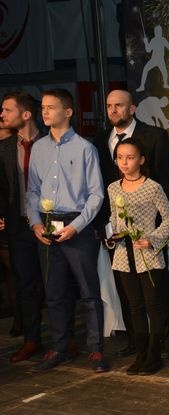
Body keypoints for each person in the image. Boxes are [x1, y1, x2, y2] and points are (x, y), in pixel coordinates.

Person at [26, 88, 108, 372]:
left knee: (89, 292)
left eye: (51, 107)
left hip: (77, 226)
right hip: (47, 224)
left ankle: (95, 349)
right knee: (54, 292)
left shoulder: (85, 148)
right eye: (43, 107)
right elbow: (32, 191)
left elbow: (97, 195)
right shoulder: (39, 148)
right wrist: (35, 223)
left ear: (68, 111)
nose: (45, 112)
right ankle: (60, 347)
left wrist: (76, 226)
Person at [93, 89, 169, 358]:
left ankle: (162, 342)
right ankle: (136, 342)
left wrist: (157, 234)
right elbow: (102, 186)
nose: (113, 110)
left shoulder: (154, 136)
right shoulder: (100, 139)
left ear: (132, 108)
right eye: (109, 105)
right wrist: (107, 229)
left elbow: (168, 181)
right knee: (129, 293)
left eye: (119, 105)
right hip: (118, 234)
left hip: (149, 231)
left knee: (156, 291)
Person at [107, 138, 169, 375]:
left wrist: (152, 239)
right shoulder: (113, 188)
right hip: (123, 254)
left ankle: (154, 355)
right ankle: (141, 354)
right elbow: (114, 219)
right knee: (134, 306)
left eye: (130, 157)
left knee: (153, 305)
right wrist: (112, 235)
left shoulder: (153, 187)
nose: (124, 162)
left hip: (148, 253)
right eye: (120, 158)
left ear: (141, 160)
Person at [0, 92, 46, 361]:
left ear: (26, 114)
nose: (2, 115)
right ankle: (31, 339)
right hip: (19, 227)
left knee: (55, 284)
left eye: (7, 110)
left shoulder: (50, 143)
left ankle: (65, 339)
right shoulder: (5, 147)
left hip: (50, 226)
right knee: (25, 284)